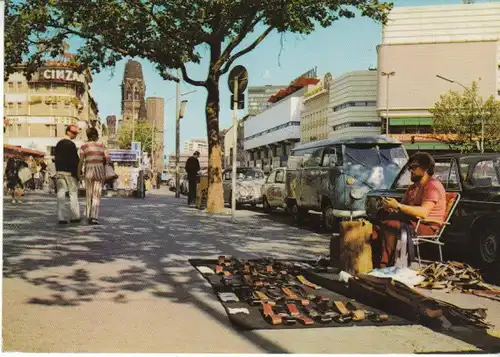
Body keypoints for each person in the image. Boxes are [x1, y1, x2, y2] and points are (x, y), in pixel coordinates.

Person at [372, 152, 446, 268]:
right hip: (412, 222)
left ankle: (386, 265)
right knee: (381, 215)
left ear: (425, 169)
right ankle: (374, 259)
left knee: (390, 225)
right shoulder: (413, 187)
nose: (410, 170)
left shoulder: (432, 186)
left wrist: (398, 206)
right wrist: (391, 207)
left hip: (427, 226)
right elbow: (403, 208)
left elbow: (423, 213)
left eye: (414, 167)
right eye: (409, 167)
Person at [78, 127, 108, 225]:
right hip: (99, 171)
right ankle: (94, 217)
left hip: (88, 171)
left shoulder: (84, 146)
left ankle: (88, 215)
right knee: (96, 195)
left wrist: (78, 173)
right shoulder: (102, 146)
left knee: (89, 194)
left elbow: (81, 161)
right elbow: (107, 159)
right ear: (96, 136)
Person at [54, 124, 81, 225]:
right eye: (74, 133)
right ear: (68, 132)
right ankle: (75, 216)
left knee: (60, 194)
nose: (75, 135)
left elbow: (55, 159)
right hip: (70, 173)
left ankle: (61, 217)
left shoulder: (58, 144)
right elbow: (75, 161)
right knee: (73, 194)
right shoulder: (71, 145)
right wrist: (77, 174)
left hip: (60, 172)